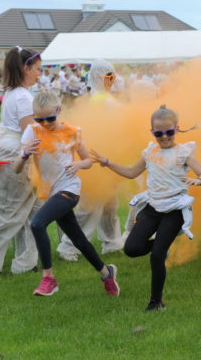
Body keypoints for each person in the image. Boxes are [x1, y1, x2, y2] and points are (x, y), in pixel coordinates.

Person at [90, 104, 201, 311]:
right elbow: (130, 172)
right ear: (152, 132)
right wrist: (107, 162)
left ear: (177, 129)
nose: (164, 137)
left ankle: (156, 302)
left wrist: (199, 181)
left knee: (157, 256)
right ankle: (163, 243)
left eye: (169, 132)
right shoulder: (149, 152)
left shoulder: (183, 153)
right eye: (159, 133)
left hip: (174, 210)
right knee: (131, 249)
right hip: (153, 207)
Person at [14, 89, 119, 296]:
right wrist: (25, 154)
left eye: (50, 118)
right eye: (39, 119)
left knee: (37, 223)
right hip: (51, 193)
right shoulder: (32, 132)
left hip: (70, 189)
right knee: (78, 240)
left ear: (59, 111)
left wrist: (78, 164)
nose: (45, 124)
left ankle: (48, 278)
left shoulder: (72, 132)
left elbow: (88, 160)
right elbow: (17, 168)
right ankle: (107, 273)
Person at [0, 46, 41, 275]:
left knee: (31, 211)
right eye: (37, 69)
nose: (39, 74)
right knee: (10, 211)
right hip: (16, 155)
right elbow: (29, 133)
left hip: (9, 152)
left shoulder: (14, 92)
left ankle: (26, 262)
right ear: (26, 68)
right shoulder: (23, 96)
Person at [56, 59, 124, 261]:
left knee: (110, 204)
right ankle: (69, 247)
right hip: (96, 159)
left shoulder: (98, 98)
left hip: (106, 157)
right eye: (109, 77)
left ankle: (112, 242)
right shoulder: (102, 100)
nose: (112, 81)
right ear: (98, 77)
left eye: (113, 76)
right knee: (89, 205)